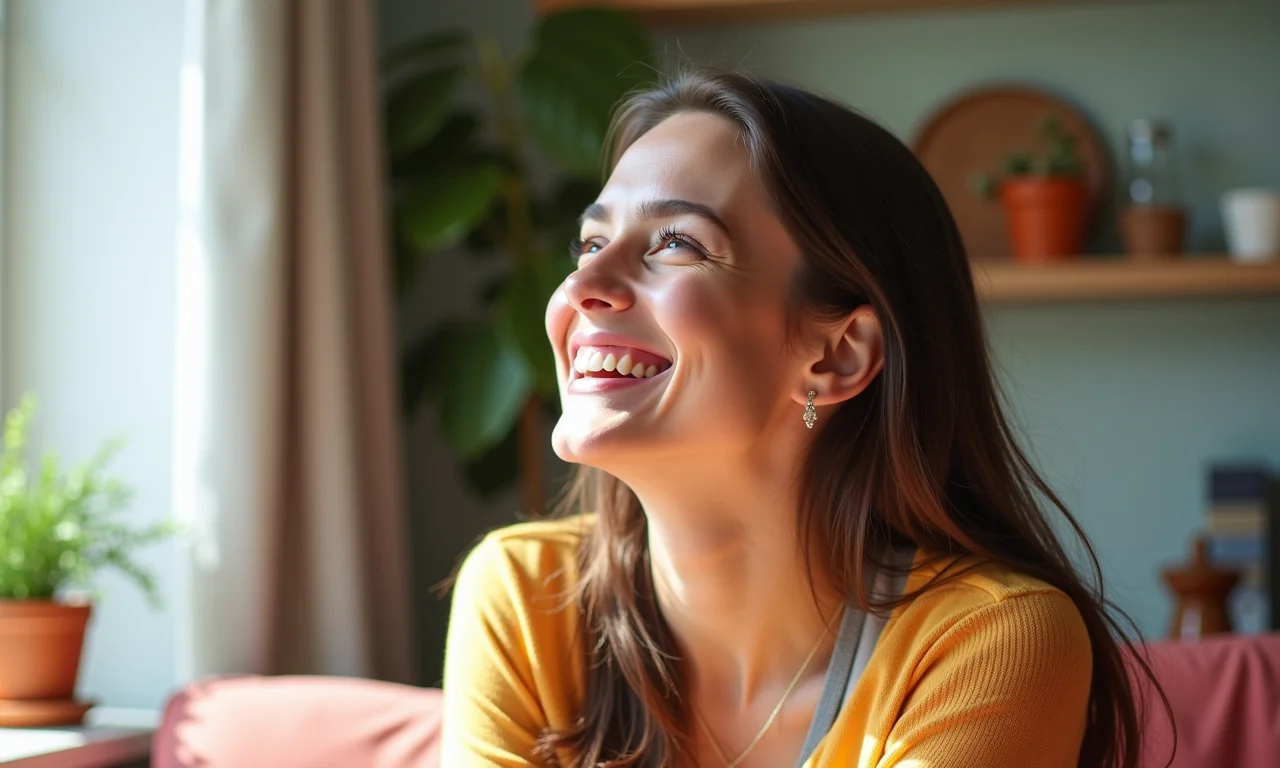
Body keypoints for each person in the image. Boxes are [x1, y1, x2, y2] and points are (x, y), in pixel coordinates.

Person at [441, 69, 1160, 768]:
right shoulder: (523, 596)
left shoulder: (993, 641)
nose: (582, 287)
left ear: (840, 355)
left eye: (676, 243)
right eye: (591, 243)